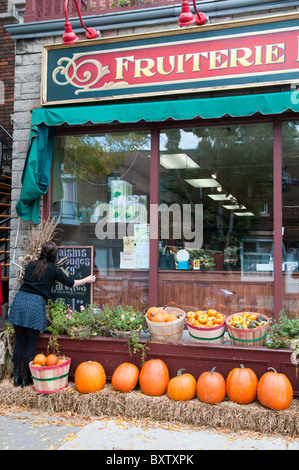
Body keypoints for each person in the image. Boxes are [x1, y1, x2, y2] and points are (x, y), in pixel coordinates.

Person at [7, 240, 96, 387]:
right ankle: (25, 380)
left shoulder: (31, 265)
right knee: (30, 343)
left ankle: (16, 378)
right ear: (55, 255)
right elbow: (70, 283)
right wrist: (87, 279)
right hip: (35, 304)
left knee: (20, 342)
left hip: (21, 300)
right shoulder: (53, 270)